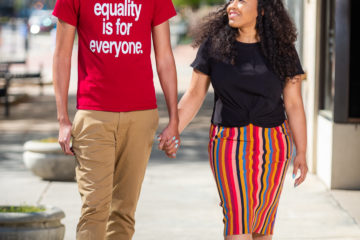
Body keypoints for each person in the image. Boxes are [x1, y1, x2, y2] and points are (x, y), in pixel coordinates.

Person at [159, 0, 308, 239]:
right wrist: (173, 128)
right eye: (230, 0)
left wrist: (301, 151)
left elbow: (293, 103)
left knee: (262, 227)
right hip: (228, 143)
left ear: (262, 8)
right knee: (238, 223)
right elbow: (195, 94)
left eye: (242, 0)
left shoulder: (282, 48)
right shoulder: (214, 44)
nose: (232, 5)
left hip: (273, 147)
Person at [52, 0, 180, 239]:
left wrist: (174, 120)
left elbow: (164, 57)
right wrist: (63, 120)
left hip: (142, 115)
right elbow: (61, 56)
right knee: (94, 207)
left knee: (124, 212)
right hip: (93, 115)